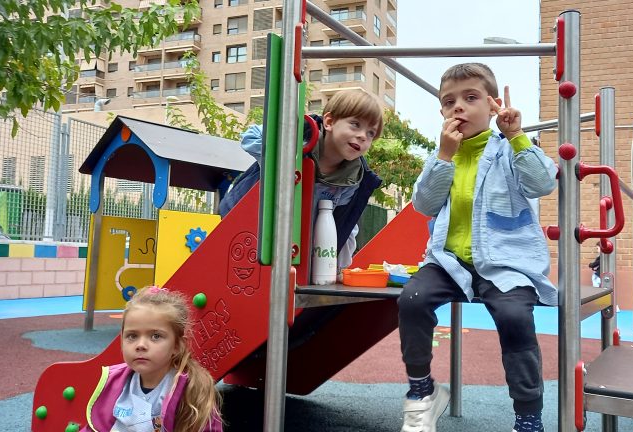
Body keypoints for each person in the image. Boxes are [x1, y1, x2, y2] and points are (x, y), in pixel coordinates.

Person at [397, 63, 557, 432]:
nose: (459, 107)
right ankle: (422, 392)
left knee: (515, 316)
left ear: (493, 105)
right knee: (412, 300)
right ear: (441, 111)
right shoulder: (444, 154)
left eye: (471, 98)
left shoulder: (510, 149)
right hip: (448, 261)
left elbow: (542, 183)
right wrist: (444, 156)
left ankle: (528, 416)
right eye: (449, 101)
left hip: (506, 262)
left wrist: (517, 135)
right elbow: (424, 204)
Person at [218, 89, 384, 270]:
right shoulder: (300, 136)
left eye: (371, 133)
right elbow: (251, 136)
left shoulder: (352, 180)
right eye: (355, 124)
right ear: (329, 122)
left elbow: (344, 225)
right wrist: (285, 161)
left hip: (292, 246)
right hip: (245, 226)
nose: (362, 136)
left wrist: (338, 267)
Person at [81, 287, 223, 431]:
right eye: (132, 336)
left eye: (156, 336)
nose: (141, 345)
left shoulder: (190, 390)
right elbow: (94, 427)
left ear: (177, 345)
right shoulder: (114, 382)